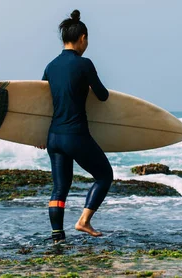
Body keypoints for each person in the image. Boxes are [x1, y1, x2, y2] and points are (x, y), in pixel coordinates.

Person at [38, 9, 113, 243]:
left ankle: (57, 237)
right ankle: (83, 221)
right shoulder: (84, 64)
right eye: (86, 40)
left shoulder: (50, 67)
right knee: (104, 176)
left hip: (54, 138)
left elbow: (41, 102)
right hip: (75, 135)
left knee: (60, 188)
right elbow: (102, 95)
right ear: (82, 38)